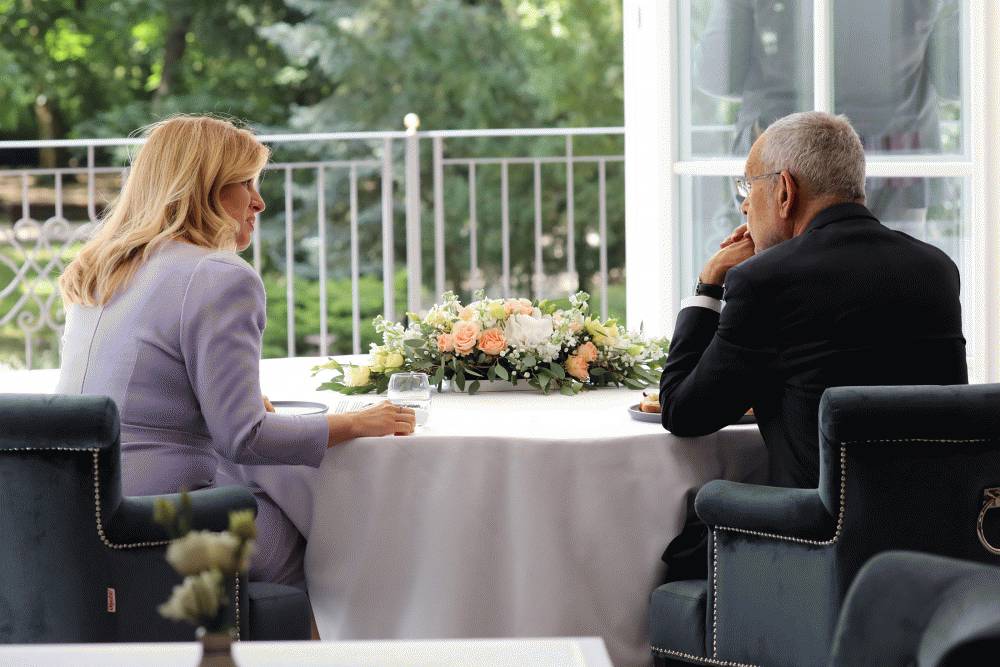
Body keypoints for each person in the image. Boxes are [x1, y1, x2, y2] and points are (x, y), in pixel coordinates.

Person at [56, 115, 415, 589]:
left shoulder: (104, 269)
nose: (259, 202)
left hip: (75, 509)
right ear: (202, 187)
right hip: (161, 518)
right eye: (245, 183)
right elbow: (244, 438)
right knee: (337, 546)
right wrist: (359, 422)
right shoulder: (219, 276)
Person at [658, 111, 967, 578]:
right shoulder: (935, 269)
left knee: (678, 544)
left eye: (748, 189)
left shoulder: (765, 281)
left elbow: (682, 410)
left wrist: (708, 285)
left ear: (784, 190)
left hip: (813, 545)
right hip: (929, 542)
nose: (744, 207)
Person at [694, 0, 960, 242]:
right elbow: (955, 80)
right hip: (896, 161)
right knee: (891, 282)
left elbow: (717, 76)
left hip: (784, 163)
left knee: (781, 283)